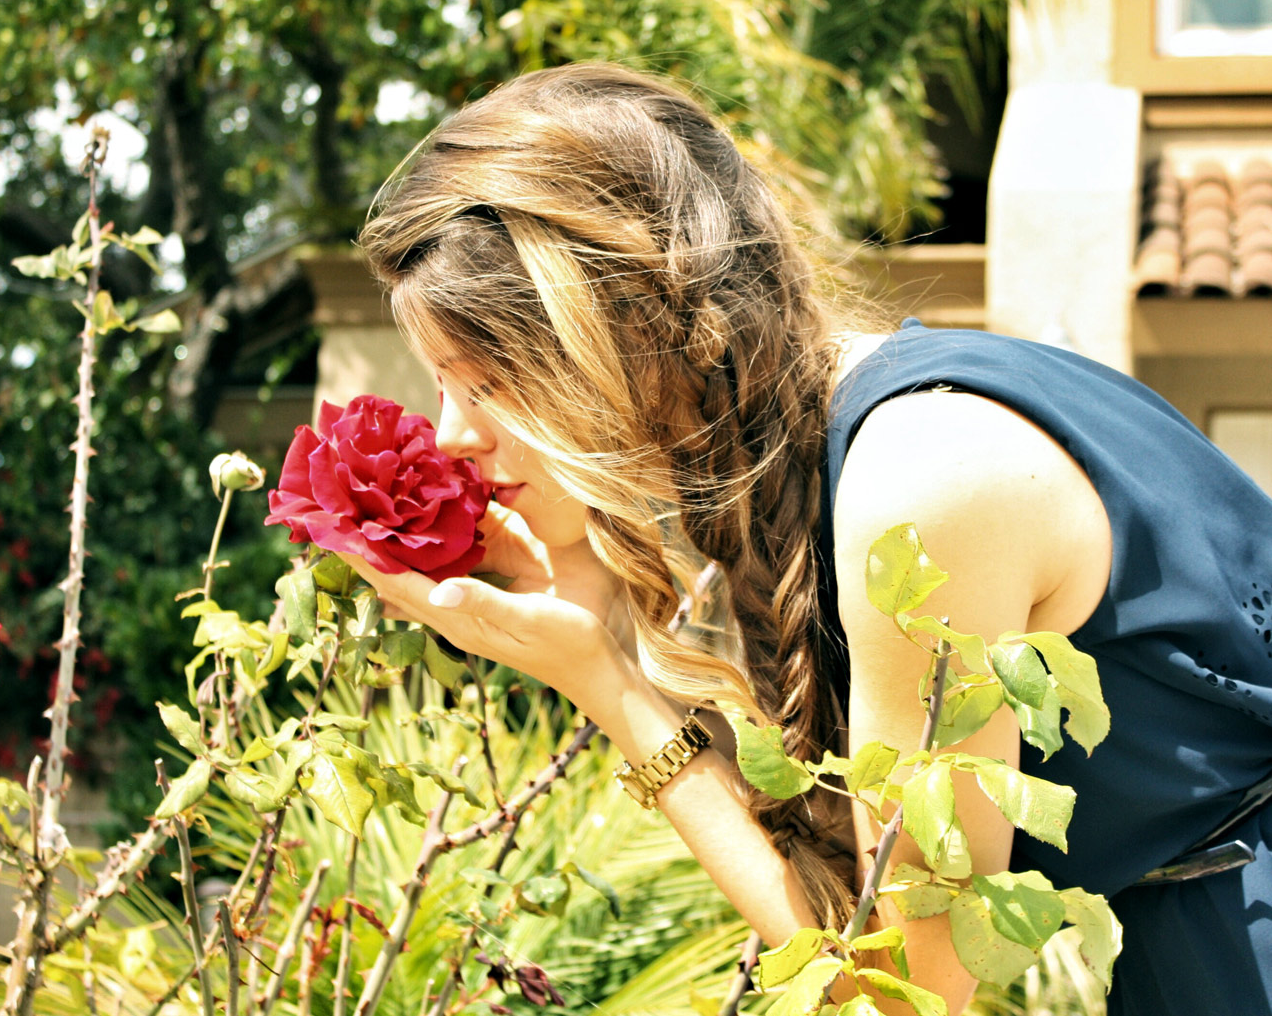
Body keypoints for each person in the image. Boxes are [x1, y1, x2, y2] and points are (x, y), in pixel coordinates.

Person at [344, 62, 1272, 1015]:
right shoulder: (856, 443)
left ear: (611, 339)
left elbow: (900, 997)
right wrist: (598, 621)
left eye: (484, 381)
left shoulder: (923, 482)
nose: (453, 432)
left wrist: (609, 686)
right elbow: (855, 930)